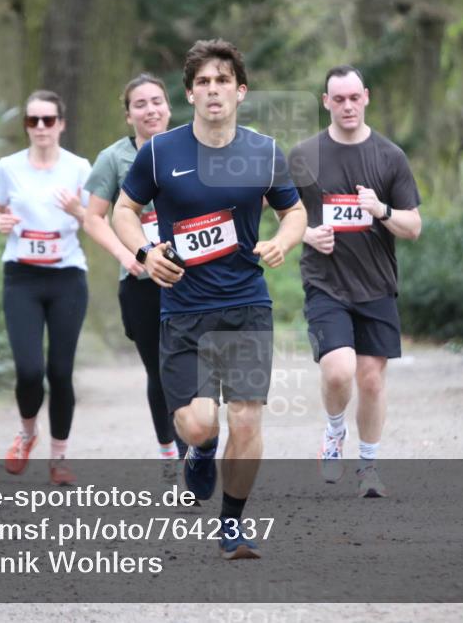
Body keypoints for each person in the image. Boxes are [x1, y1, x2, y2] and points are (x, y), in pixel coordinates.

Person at [112, 39, 306, 559]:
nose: (213, 90)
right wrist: (145, 251)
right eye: (203, 82)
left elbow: (294, 212)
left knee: (246, 418)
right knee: (199, 423)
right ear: (190, 94)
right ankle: (201, 448)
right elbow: (123, 210)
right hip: (183, 309)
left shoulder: (263, 152)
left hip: (247, 304)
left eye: (223, 81)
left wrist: (282, 242)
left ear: (240, 91)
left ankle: (232, 524)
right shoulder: (160, 153)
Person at [289, 65, 422, 498]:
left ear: (366, 97)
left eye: (354, 97)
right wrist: (306, 233)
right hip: (325, 283)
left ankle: (368, 466)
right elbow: (279, 213)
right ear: (326, 102)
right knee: (338, 372)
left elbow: (413, 226)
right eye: (338, 99)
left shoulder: (389, 156)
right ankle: (333, 432)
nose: (347, 106)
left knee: (371, 380)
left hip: (376, 284)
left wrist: (381, 210)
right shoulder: (305, 155)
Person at [82, 73, 188, 481]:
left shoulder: (190, 149)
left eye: (157, 101)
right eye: (140, 104)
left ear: (168, 107)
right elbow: (94, 217)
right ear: (129, 116)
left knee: (189, 367)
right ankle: (170, 451)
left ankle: (192, 450)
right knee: (159, 372)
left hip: (190, 279)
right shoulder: (113, 158)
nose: (150, 110)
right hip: (142, 283)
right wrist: (126, 254)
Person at [0, 90, 91, 486]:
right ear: (26, 126)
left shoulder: (79, 168)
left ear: (61, 124)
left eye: (49, 119)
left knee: (60, 372)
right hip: (22, 277)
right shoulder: (9, 167)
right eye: (34, 120)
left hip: (67, 277)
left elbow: (97, 217)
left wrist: (78, 210)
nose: (41, 127)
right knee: (30, 370)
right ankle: (28, 433)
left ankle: (59, 459)